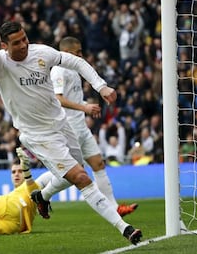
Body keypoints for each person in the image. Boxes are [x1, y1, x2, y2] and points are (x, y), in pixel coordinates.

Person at [0, 0, 142, 245]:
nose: (23, 45)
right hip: (38, 134)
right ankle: (125, 229)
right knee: (81, 178)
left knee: (78, 172)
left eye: (24, 39)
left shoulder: (41, 53)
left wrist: (101, 86)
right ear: (4, 47)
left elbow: (75, 61)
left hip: (62, 123)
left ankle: (42, 197)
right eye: (16, 43)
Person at [49, 36, 137, 216]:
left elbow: (72, 97)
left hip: (81, 126)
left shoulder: (74, 70)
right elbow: (58, 99)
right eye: (78, 52)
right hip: (68, 128)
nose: (81, 55)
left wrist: (86, 105)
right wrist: (84, 107)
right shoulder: (58, 71)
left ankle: (115, 207)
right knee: (71, 173)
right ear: (66, 53)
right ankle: (42, 193)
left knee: (98, 163)